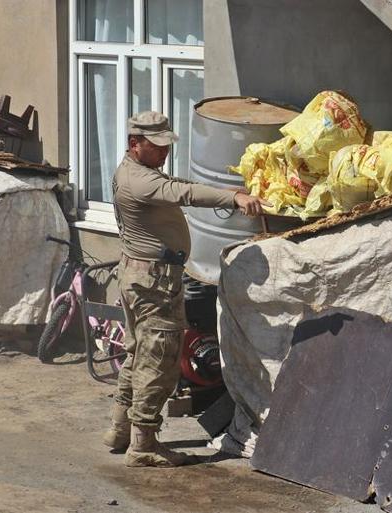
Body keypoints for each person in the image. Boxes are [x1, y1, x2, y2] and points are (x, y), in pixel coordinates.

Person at [103, 111, 267, 467]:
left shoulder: (133, 171)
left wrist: (229, 190)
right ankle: (143, 444)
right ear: (135, 144)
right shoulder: (140, 183)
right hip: (153, 282)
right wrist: (234, 199)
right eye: (157, 146)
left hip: (141, 276)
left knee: (137, 354)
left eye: (166, 146)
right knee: (159, 361)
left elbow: (175, 182)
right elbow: (185, 192)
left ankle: (119, 430)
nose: (164, 153)